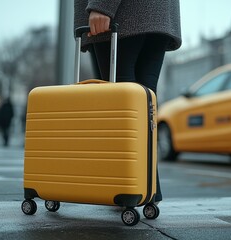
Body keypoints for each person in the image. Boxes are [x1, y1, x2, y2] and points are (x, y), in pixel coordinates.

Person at [74, 0, 182, 203]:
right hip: (155, 14)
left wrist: (102, 5)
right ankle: (147, 188)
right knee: (143, 99)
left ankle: (128, 188)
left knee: (122, 101)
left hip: (123, 12)